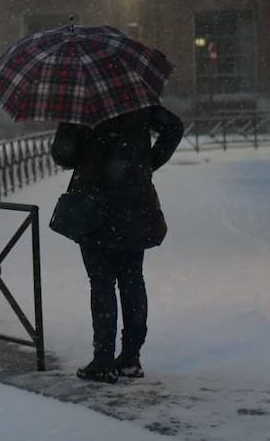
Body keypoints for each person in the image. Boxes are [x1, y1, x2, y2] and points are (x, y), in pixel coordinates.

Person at [55, 103, 183, 383]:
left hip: (93, 206)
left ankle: (102, 360)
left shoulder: (79, 101)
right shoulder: (135, 99)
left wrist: (71, 129)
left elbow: (63, 155)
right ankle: (130, 357)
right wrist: (146, 163)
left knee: (101, 283)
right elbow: (174, 127)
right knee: (132, 279)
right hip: (133, 203)